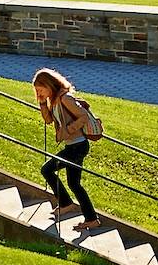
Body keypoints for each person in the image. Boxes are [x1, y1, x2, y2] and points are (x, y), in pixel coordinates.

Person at [32, 67, 104, 234]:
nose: (39, 93)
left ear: (49, 84)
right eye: (37, 91)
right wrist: (42, 103)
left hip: (78, 146)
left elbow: (83, 116)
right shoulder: (54, 100)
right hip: (72, 146)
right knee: (74, 183)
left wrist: (69, 130)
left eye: (41, 90)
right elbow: (48, 120)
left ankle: (68, 205)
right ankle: (89, 218)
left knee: (47, 169)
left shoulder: (65, 98)